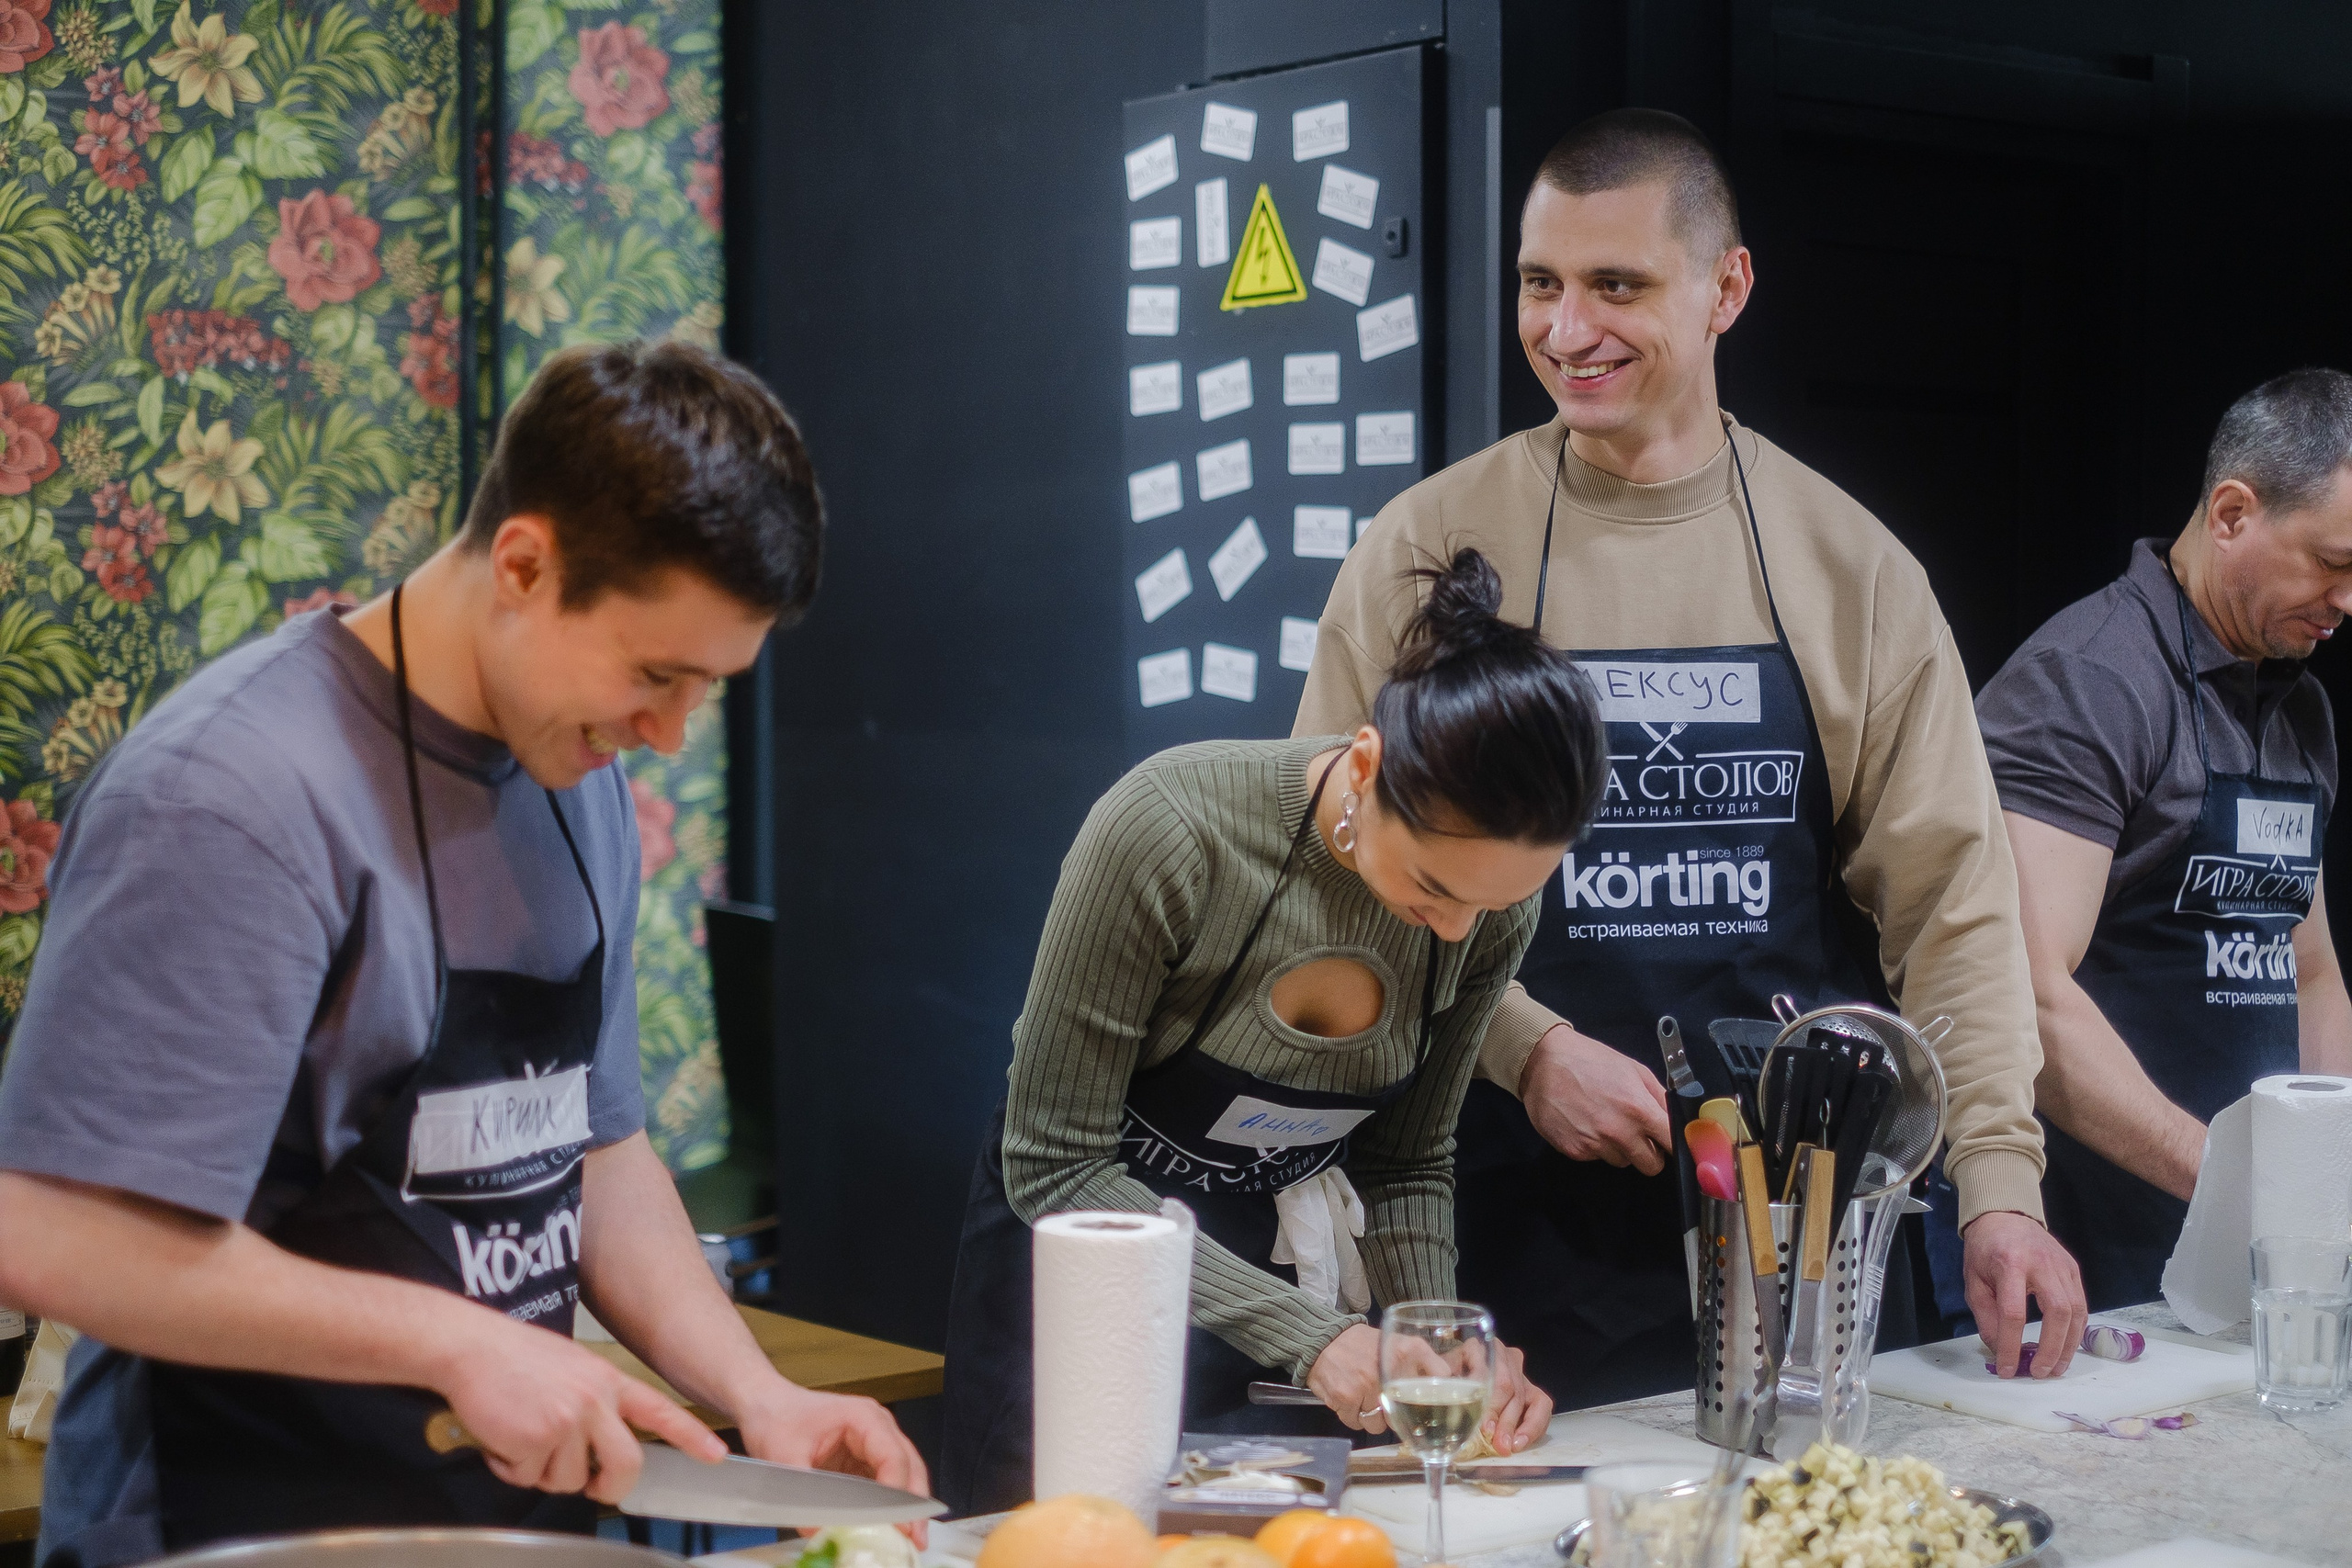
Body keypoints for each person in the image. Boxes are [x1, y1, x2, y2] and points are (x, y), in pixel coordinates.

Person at [0, 342, 927, 1565]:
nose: (666, 733)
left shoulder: (576, 771)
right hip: (227, 1529)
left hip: (498, 1531)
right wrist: (456, 1342)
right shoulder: (234, 797)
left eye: (704, 687)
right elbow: (57, 1234)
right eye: (654, 674)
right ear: (525, 564)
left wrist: (760, 1395)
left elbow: (594, 1150)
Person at [1293, 108, 2086, 1404]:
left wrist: (2000, 1185)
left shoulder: (1851, 569)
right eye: (1539, 283)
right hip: (1494, 1216)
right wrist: (1526, 1047)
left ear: (1728, 288)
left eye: (1616, 285)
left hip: (1793, 1231)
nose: (1567, 329)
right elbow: (1329, 857)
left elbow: (1954, 905)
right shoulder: (1424, 544)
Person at [938, 551, 1606, 1516]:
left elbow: (1407, 1162)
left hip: (1273, 1271)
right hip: (1085, 1279)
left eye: (1494, 904)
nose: (1460, 929)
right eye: (1434, 887)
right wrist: (1310, 1337)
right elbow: (1054, 1163)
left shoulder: (1486, 917)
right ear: (1366, 765)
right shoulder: (1172, 832)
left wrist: (1442, 1348)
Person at [1977, 368, 2352, 1312]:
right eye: (2332, 561)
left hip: (2257, 1255)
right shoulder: (2087, 682)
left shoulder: (2299, 707)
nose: (2347, 600)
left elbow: (2310, 973)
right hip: (2091, 1257)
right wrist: (2232, 1187)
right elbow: (2026, 994)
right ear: (2231, 513)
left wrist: (2326, 1192)